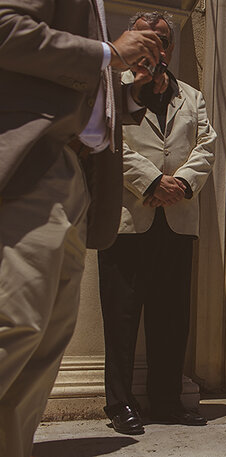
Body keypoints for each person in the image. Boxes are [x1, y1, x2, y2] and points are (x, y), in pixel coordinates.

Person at [0, 1, 165, 454]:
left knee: (45, 342)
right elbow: (5, 28)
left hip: (78, 174)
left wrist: (129, 90)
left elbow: (78, 82)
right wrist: (109, 51)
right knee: (17, 325)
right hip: (36, 164)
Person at [97, 12, 216, 435]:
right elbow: (110, 143)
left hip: (177, 221)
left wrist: (181, 183)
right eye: (147, 37)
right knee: (122, 316)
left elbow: (207, 144)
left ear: (170, 48)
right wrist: (151, 181)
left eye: (162, 40)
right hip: (130, 221)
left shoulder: (193, 97)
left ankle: (166, 401)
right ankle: (119, 404)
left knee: (171, 316)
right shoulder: (116, 89)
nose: (156, 46)